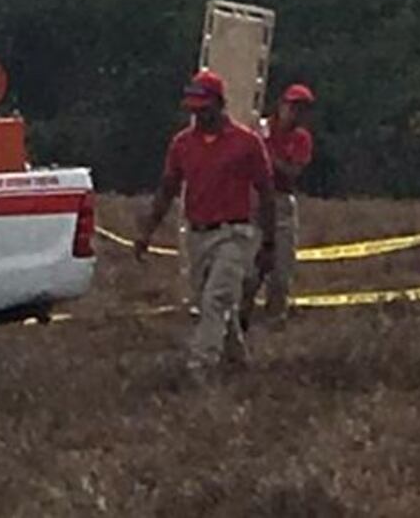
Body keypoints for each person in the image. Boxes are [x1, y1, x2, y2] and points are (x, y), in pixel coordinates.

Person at [135, 69, 276, 380]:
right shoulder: (182, 144)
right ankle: (238, 361)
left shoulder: (247, 143)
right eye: (193, 108)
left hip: (235, 234)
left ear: (219, 103)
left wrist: (268, 244)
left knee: (215, 300)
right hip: (197, 236)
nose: (197, 114)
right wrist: (147, 231)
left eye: (203, 107)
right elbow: (168, 188)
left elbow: (266, 192)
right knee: (210, 302)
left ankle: (200, 368)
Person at [242, 83, 316, 326]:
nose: (297, 114)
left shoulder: (302, 139)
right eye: (293, 107)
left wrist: (262, 151)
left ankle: (276, 318)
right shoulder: (259, 128)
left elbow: (291, 172)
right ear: (281, 105)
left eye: (303, 110)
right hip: (254, 201)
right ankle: (242, 314)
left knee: (281, 271)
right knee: (249, 269)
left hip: (282, 202)